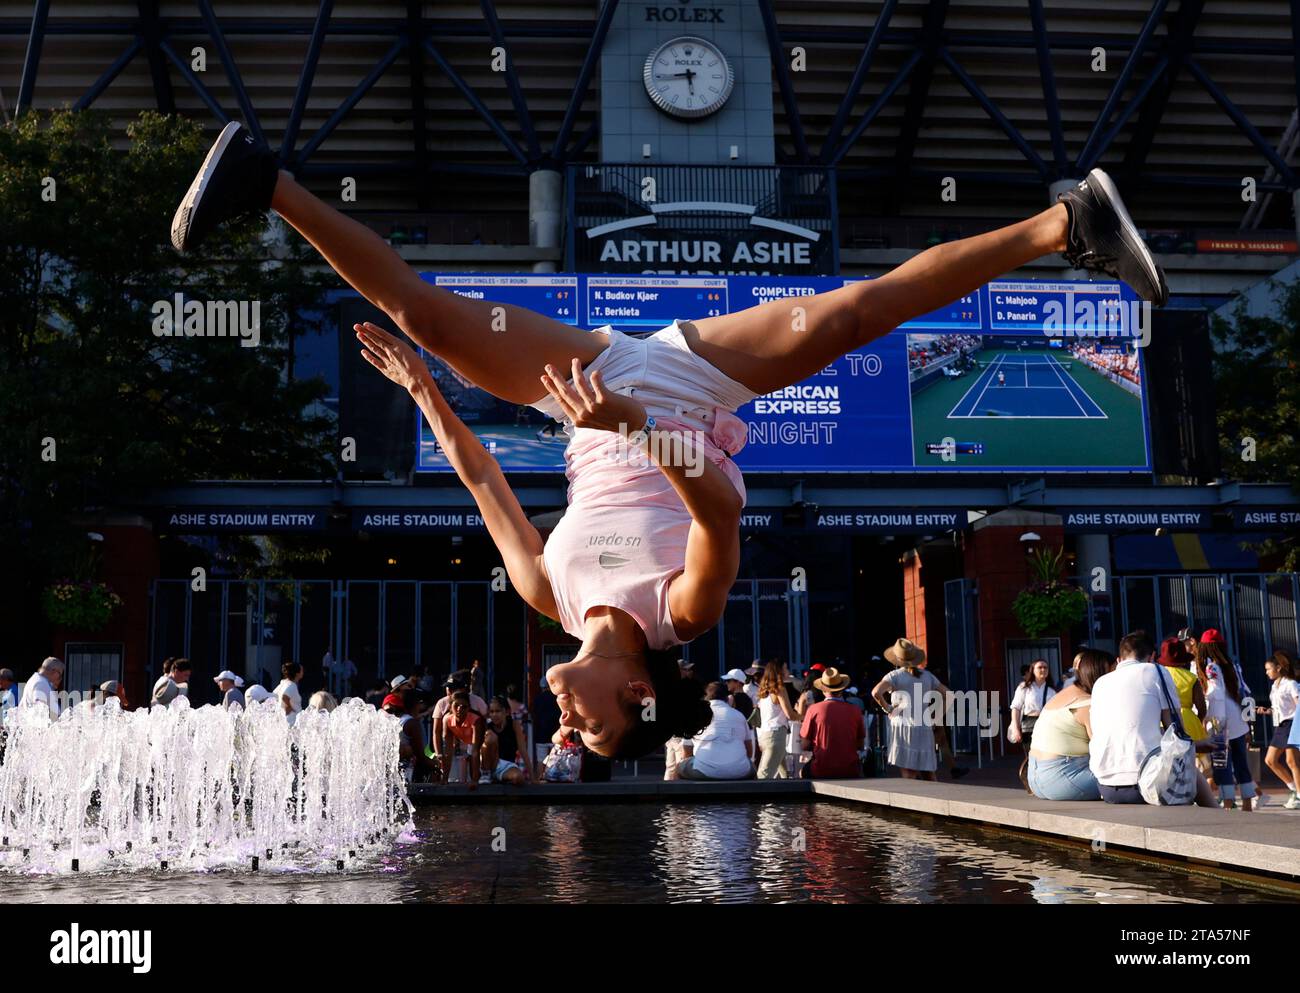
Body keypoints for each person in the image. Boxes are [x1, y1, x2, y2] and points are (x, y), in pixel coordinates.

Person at [171, 124, 1164, 761]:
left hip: (585, 393)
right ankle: (1060, 225)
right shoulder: (682, 612)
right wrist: (638, 428)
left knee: (426, 319)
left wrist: (427, 391)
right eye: (592, 729)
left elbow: (482, 484)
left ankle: (266, 181)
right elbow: (721, 509)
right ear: (639, 691)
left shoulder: (546, 596)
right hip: (679, 395)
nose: (565, 729)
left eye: (569, 736)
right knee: (851, 316)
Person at [1089, 630, 1214, 806]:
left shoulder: (1101, 682)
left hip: (1105, 786)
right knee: (1189, 767)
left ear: (1120, 658)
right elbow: (1176, 730)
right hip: (1145, 784)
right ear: (1152, 656)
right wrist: (1198, 744)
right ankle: (1221, 819)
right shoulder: (1157, 671)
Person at [1026, 649, 1109, 801]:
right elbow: (1102, 750)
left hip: (1034, 778)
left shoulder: (1064, 693)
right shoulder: (1087, 703)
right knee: (1126, 783)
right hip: (1063, 779)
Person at [871, 641, 950, 781]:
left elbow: (876, 692)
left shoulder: (894, 676)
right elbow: (949, 695)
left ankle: (913, 800)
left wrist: (887, 707)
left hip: (903, 727)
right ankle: (935, 799)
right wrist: (936, 717)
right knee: (928, 772)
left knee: (909, 773)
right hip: (924, 727)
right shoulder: (927, 676)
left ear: (898, 658)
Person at [1195, 634, 1255, 810]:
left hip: (1220, 720)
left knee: (1222, 764)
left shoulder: (1211, 667)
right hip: (1237, 718)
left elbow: (1216, 694)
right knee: (1241, 763)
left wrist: (1215, 722)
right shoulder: (1232, 665)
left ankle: (1228, 803)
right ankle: (1247, 803)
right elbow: (1244, 691)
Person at [674, 681, 753, 780]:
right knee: (751, 766)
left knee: (679, 767)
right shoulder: (739, 716)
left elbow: (686, 752)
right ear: (728, 698)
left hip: (703, 771)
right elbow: (749, 752)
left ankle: (677, 794)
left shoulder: (696, 715)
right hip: (739, 771)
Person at [801, 667, 865, 779]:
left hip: (820, 768)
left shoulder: (813, 709)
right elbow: (860, 745)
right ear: (842, 689)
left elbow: (804, 745)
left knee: (802, 772)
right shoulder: (855, 710)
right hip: (850, 769)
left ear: (823, 690)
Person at [1259, 650, 1299, 808]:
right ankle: (1294, 789)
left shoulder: (1291, 684)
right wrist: (1267, 711)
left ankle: (1298, 795)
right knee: (1270, 760)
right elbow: (1279, 708)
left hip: (1292, 724)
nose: (1267, 672)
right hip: (1281, 725)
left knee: (1292, 761)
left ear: (1279, 668)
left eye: (1269, 669)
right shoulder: (1275, 686)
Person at [1009, 659, 1056, 793]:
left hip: (1045, 725)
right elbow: (1016, 708)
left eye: (1045, 667)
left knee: (1043, 755)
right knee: (1030, 756)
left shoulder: (1052, 691)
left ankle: (1041, 785)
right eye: (1040, 667)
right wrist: (1016, 728)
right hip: (1028, 725)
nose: (1043, 670)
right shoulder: (1024, 688)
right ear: (1033, 670)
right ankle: (1031, 784)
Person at [756, 660, 797, 779]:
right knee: (764, 776)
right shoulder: (779, 689)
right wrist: (805, 716)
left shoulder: (765, 692)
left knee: (785, 774)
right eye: (785, 668)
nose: (788, 671)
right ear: (779, 672)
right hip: (776, 735)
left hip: (766, 735)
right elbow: (790, 715)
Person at [483, 695, 530, 785]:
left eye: (498, 711)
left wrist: (533, 778)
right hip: (488, 765)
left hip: (506, 766)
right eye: (492, 712)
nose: (494, 715)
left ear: (507, 712)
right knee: (491, 738)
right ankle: (487, 774)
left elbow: (523, 750)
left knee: (518, 778)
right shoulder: (487, 726)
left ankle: (499, 778)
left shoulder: (514, 725)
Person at [442, 691, 484, 787]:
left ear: (468, 708)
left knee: (475, 758)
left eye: (463, 707)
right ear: (450, 706)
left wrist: (474, 780)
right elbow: (448, 750)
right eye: (456, 706)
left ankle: (480, 777)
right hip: (467, 743)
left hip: (481, 744)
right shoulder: (447, 720)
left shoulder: (475, 720)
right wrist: (444, 778)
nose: (459, 709)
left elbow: (475, 750)